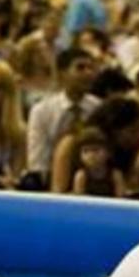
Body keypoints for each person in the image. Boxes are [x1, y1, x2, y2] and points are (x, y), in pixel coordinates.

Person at [26, 47, 100, 186]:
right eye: (80, 68)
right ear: (62, 74)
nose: (88, 73)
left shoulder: (98, 108)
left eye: (91, 68)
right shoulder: (42, 111)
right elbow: (37, 161)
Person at [70, 127, 126, 197]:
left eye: (96, 150)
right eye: (85, 151)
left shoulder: (115, 175)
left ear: (108, 152)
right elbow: (78, 202)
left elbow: (121, 200)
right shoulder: (81, 176)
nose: (91, 155)